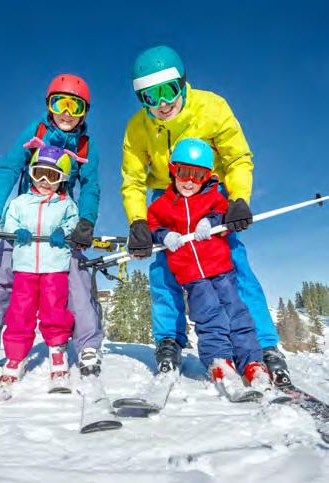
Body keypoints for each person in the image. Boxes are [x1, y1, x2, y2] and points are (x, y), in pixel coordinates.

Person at [121, 45, 290, 386]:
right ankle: (169, 339)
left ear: (182, 83)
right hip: (166, 197)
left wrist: (238, 198)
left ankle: (264, 345)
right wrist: (138, 222)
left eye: (168, 91)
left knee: (232, 263)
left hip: (210, 193)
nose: (162, 104)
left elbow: (237, 157)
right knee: (165, 267)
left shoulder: (211, 107)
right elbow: (133, 180)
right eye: (150, 97)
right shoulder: (138, 127)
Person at [0, 74, 103, 387]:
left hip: (60, 225)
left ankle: (87, 345)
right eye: (60, 103)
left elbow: (90, 186)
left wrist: (85, 222)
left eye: (75, 106)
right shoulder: (36, 132)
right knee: (1, 271)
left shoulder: (85, 145)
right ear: (49, 106)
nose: (67, 113)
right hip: (24, 222)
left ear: (84, 112)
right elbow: (9, 168)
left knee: (76, 279)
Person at [147, 138, 270, 391]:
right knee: (208, 316)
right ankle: (219, 360)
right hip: (192, 276)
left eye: (199, 175)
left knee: (237, 313)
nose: (190, 181)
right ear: (173, 170)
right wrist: (164, 235)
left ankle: (251, 361)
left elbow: (224, 213)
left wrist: (211, 221)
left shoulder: (213, 198)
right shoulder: (162, 205)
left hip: (221, 270)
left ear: (207, 177)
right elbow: (151, 226)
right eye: (184, 173)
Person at [0, 145, 78, 384]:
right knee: (20, 311)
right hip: (25, 267)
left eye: (52, 176)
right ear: (31, 173)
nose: (44, 181)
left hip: (54, 266)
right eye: (39, 173)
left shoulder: (66, 204)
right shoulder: (20, 202)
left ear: (62, 179)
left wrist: (63, 231)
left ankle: (57, 350)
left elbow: (73, 223)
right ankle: (15, 356)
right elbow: (7, 222)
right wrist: (16, 231)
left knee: (54, 309)